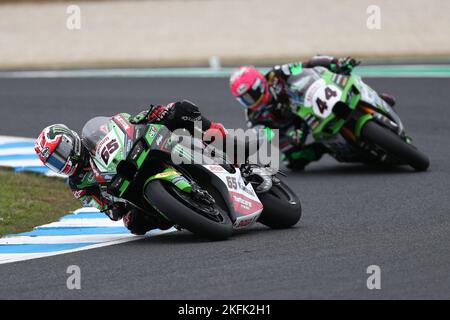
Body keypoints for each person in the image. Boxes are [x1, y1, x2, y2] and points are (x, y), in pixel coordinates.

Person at [34, 100, 227, 235]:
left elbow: (123, 122)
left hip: (138, 150)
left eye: (60, 154)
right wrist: (112, 207)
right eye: (54, 163)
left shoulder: (94, 133)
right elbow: (101, 206)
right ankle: (186, 212)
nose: (62, 161)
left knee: (180, 109)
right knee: (135, 225)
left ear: (70, 141)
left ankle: (221, 139)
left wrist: (148, 116)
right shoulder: (78, 185)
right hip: (128, 190)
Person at [229, 55, 397, 170]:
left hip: (308, 101)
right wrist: (288, 139)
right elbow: (267, 136)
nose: (250, 101)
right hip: (298, 127)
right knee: (294, 160)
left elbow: (307, 65)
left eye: (251, 95)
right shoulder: (253, 117)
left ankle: (373, 99)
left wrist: (334, 62)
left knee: (344, 75)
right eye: (245, 99)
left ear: (260, 84)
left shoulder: (276, 74)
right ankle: (328, 148)